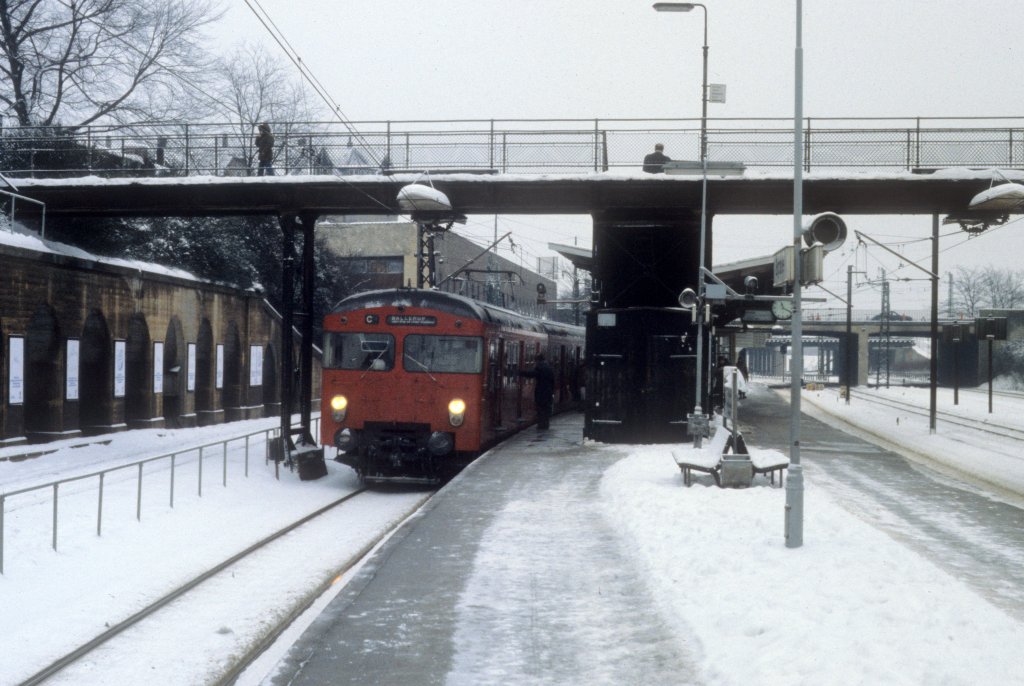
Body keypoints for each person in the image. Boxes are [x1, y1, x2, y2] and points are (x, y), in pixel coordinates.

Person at [521, 353, 555, 430]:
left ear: (538, 360)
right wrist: (552, 392)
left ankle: (541, 425)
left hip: (541, 392)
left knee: (540, 409)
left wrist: (521, 372)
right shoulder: (549, 368)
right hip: (548, 392)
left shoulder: (540, 367)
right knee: (546, 409)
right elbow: (553, 381)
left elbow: (532, 374)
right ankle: (546, 424)